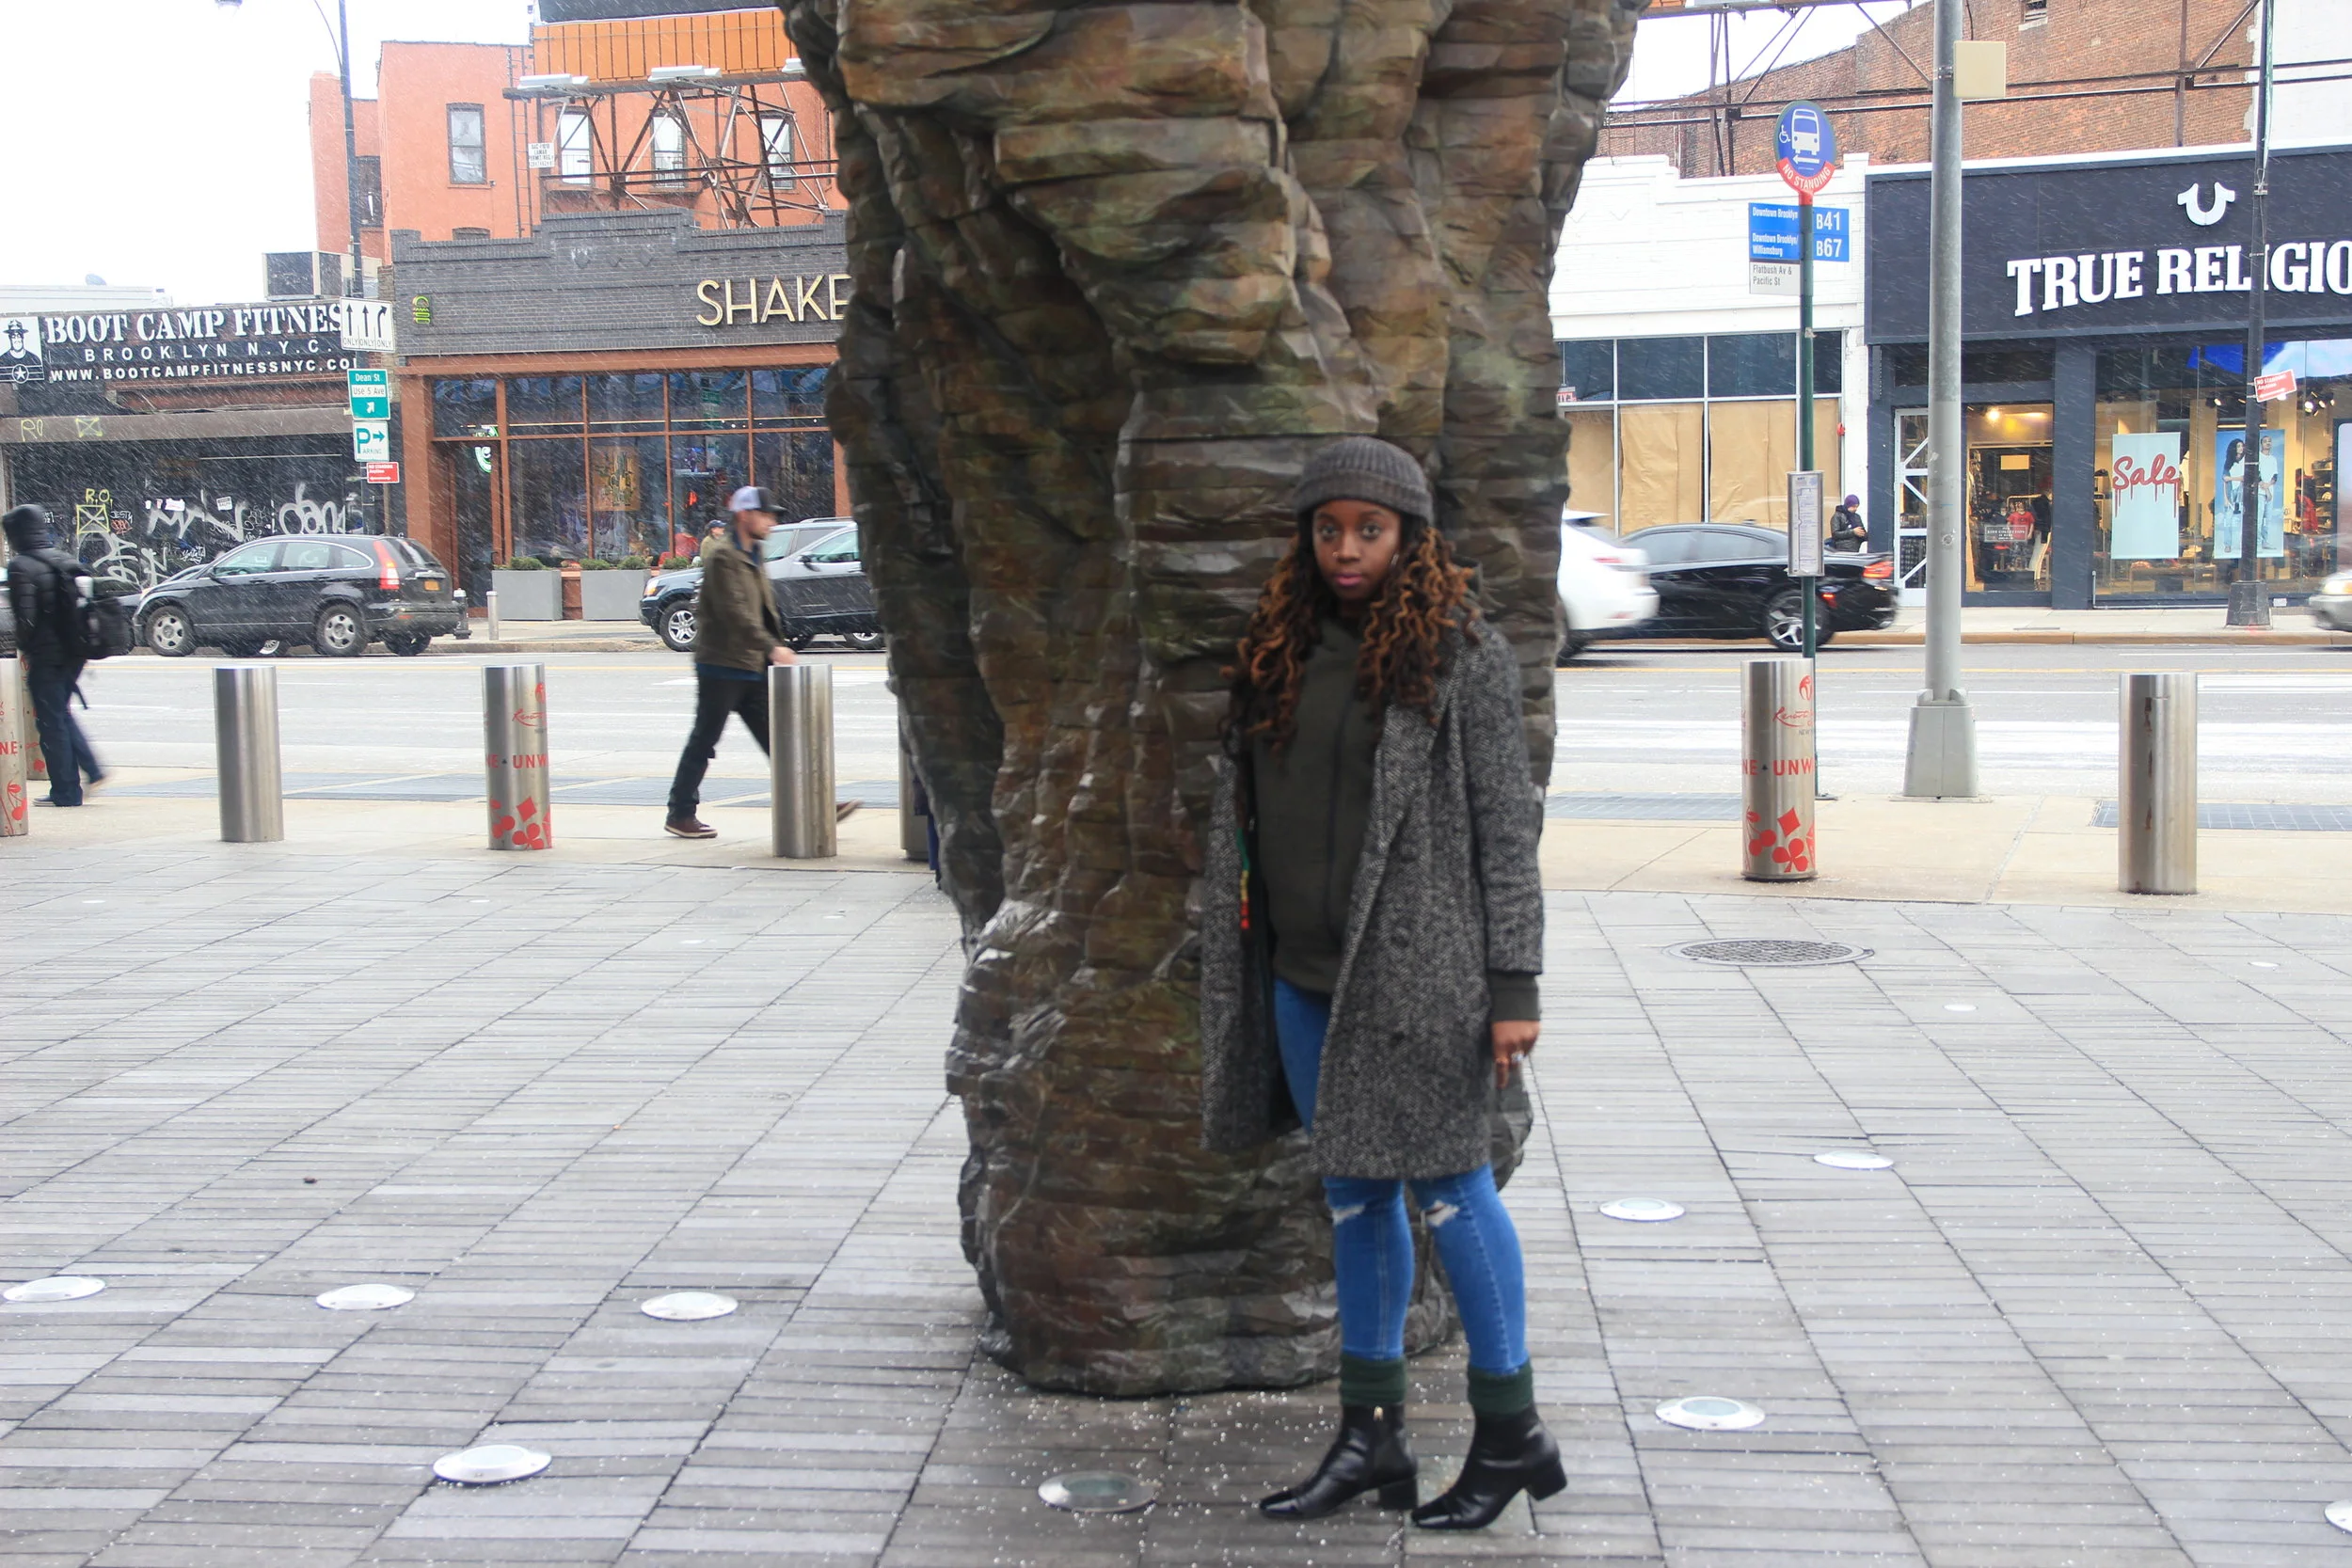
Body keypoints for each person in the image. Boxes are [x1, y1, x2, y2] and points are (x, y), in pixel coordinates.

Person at [1200, 436, 1554, 1532]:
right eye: (1328, 529)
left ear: (1410, 536)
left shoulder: (1460, 653)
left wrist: (1513, 983)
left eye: (1370, 529)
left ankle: (1510, 1430)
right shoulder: (1278, 647)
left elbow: (1506, 828)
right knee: (1352, 1195)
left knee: (1453, 1190)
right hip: (1301, 977)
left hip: (1423, 978)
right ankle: (1372, 1436)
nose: (1346, 549)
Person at [663, 486, 795, 839]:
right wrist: (772, 647)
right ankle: (680, 813)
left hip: (751, 663)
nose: (771, 522)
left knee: (779, 740)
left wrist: (774, 645)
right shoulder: (724, 557)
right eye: (765, 515)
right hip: (722, 664)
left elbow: (763, 610)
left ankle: (814, 802)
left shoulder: (754, 553)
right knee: (704, 740)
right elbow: (736, 612)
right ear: (744, 515)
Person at [4, 504, 103, 808]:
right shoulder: (63, 559)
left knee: (50, 721)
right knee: (60, 713)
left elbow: (26, 619)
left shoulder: (21, 566)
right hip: (75, 650)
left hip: (46, 655)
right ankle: (92, 769)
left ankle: (66, 791)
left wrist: (24, 646)